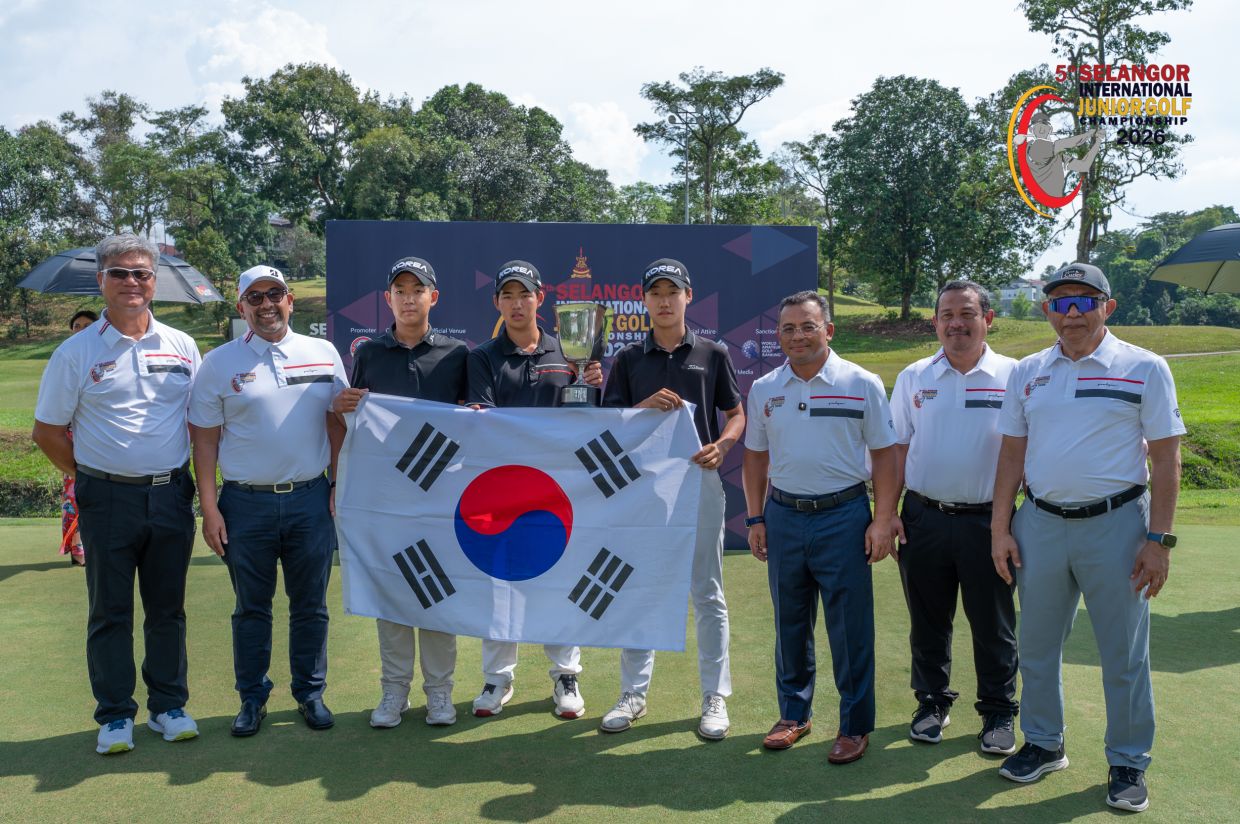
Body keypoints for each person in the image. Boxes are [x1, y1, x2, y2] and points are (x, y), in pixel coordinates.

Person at [991, 263, 1184, 813]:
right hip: (1041, 523)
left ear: (1108, 306)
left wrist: (1159, 541)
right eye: (1059, 302)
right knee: (1036, 646)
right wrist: (1000, 527)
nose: (1070, 313)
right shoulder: (1028, 370)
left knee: (1122, 654)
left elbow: (1167, 458)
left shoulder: (1144, 367)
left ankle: (1127, 759)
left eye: (1083, 301)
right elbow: (1011, 453)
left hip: (1118, 525)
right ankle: (1045, 744)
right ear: (1047, 309)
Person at [33, 234, 201, 755]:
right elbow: (48, 432)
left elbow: (199, 422)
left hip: (171, 495)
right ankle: (114, 715)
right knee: (109, 611)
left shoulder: (181, 345)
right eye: (121, 273)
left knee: (167, 610)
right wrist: (89, 478)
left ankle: (169, 706)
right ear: (101, 280)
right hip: (106, 498)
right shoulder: (75, 352)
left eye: (142, 273)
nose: (133, 282)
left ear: (155, 282)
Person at [741, 290, 901, 764]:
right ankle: (794, 715)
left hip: (845, 516)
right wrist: (755, 517)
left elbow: (885, 456)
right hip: (784, 516)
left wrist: (883, 518)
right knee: (790, 622)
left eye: (807, 326)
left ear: (828, 330)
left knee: (850, 629)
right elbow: (754, 457)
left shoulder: (862, 382)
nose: (797, 336)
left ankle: (854, 726)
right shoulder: (765, 388)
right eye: (788, 328)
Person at [189, 265, 347, 737]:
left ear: (290, 300)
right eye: (254, 298)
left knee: (311, 606)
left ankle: (310, 693)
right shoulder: (218, 363)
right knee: (251, 608)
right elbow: (204, 443)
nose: (266, 304)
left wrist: (338, 484)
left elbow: (338, 423)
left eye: (274, 294)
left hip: (311, 498)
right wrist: (210, 508)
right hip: (245, 504)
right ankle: (252, 697)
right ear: (242, 307)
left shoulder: (322, 352)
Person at [598, 257, 744, 739]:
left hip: (698, 484)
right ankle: (633, 694)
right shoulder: (628, 360)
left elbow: (736, 414)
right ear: (644, 300)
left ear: (688, 296)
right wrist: (641, 407)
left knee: (706, 591)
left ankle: (714, 697)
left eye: (672, 291)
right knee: (640, 589)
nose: (664, 300)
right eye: (655, 292)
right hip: (643, 489)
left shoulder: (713, 353)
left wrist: (723, 445)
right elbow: (610, 428)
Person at [331, 255, 467, 728]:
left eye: (418, 289)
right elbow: (354, 424)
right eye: (400, 290)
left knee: (437, 596)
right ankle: (393, 692)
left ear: (434, 297)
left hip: (441, 498)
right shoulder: (368, 353)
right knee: (392, 596)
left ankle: (440, 693)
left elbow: (478, 425)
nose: (409, 298)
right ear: (388, 299)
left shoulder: (458, 354)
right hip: (387, 498)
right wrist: (343, 404)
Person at [465, 259, 601, 720]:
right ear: (497, 303)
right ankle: (497, 678)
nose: (517, 303)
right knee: (499, 584)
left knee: (559, 582)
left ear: (540, 299)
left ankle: (566, 674)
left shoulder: (570, 353)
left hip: (558, 493)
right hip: (500, 493)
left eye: (525, 294)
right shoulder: (481, 357)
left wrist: (591, 387)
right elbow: (485, 423)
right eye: (508, 295)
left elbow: (586, 422)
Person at [889, 281, 1019, 754]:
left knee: (993, 624)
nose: (955, 323)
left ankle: (999, 711)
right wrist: (887, 512)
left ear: (988, 318)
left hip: (990, 522)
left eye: (966, 313)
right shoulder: (914, 376)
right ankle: (931, 703)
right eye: (946, 314)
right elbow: (897, 448)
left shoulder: (1016, 374)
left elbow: (1031, 448)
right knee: (927, 622)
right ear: (935, 321)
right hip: (923, 517)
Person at [59, 309, 99, 567]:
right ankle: (77, 546)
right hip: (71, 439)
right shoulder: (65, 357)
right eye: (77, 325)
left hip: (98, 439)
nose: (82, 328)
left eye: (88, 325)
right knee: (74, 495)